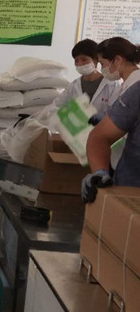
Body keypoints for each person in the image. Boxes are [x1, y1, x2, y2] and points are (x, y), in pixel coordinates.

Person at [81, 37, 140, 202]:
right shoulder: (132, 87)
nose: (102, 69)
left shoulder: (135, 86)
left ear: (118, 60)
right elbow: (100, 137)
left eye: (102, 63)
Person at [53, 38, 118, 115]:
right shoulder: (73, 86)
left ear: (96, 60)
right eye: (76, 60)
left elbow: (116, 113)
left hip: (103, 123)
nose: (80, 64)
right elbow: (57, 105)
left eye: (84, 59)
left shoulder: (111, 85)